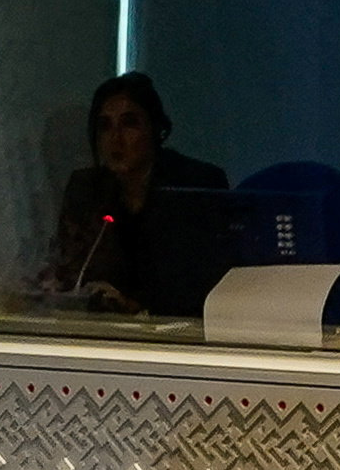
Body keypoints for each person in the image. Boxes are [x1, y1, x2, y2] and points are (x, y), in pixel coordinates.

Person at [41, 70, 229, 318]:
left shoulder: (196, 184)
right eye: (105, 127)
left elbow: (208, 287)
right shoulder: (86, 189)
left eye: (129, 123)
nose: (115, 139)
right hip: (100, 331)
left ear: (155, 129)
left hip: (175, 335)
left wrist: (136, 306)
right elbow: (68, 269)